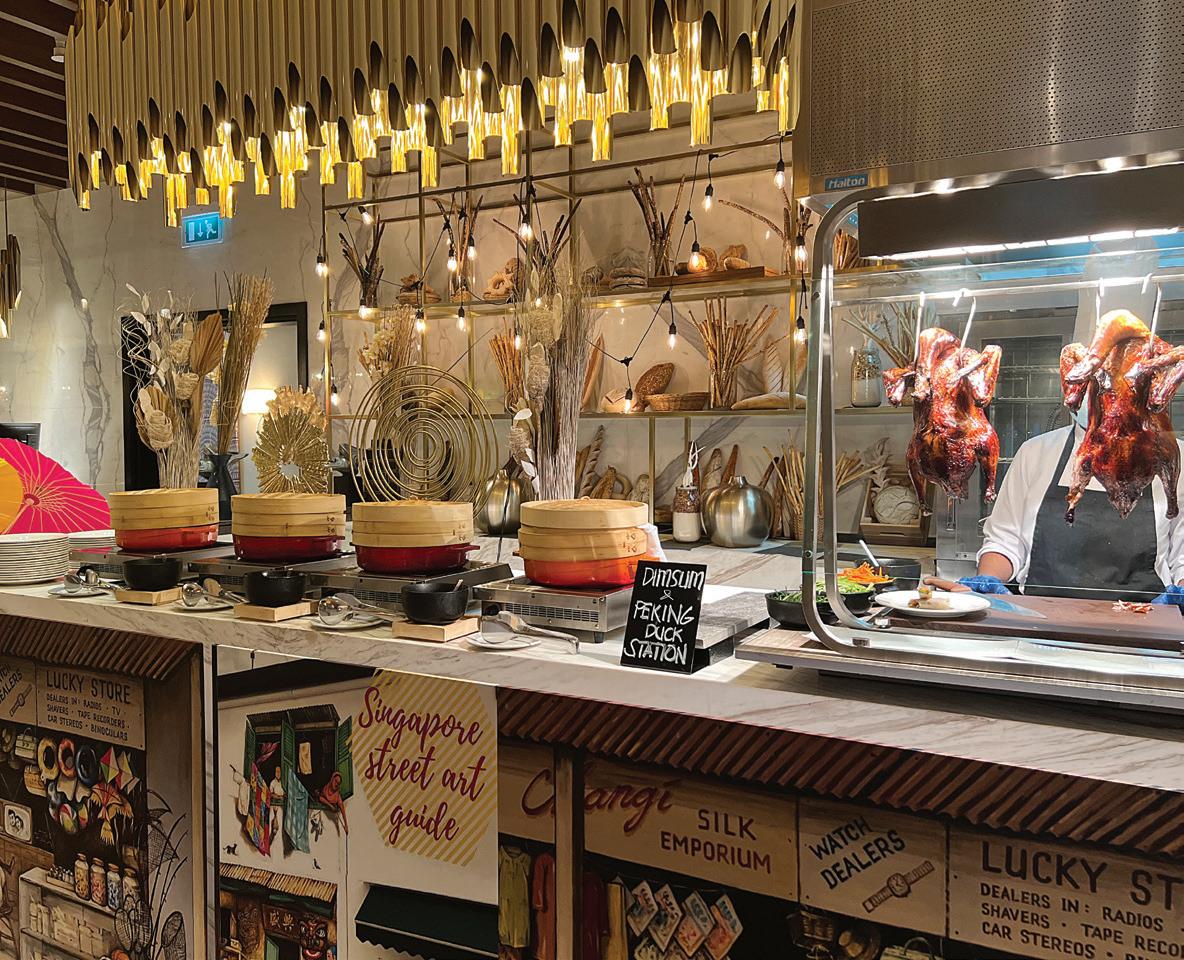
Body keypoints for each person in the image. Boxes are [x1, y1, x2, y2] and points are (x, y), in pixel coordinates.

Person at [934, 422, 1184, 605]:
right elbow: (1005, 540)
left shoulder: (1175, 458)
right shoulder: (1036, 452)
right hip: (1040, 623)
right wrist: (987, 582)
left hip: (1144, 628)